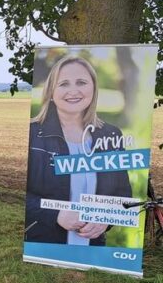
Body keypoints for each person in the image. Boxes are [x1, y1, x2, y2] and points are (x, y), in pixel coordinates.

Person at [26, 56, 131, 246]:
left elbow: (122, 194)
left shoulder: (111, 135)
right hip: (42, 247)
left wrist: (106, 218)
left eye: (81, 82)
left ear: (93, 89)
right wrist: (55, 215)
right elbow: (21, 196)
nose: (73, 91)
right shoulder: (32, 134)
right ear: (51, 92)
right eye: (64, 84)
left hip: (93, 250)